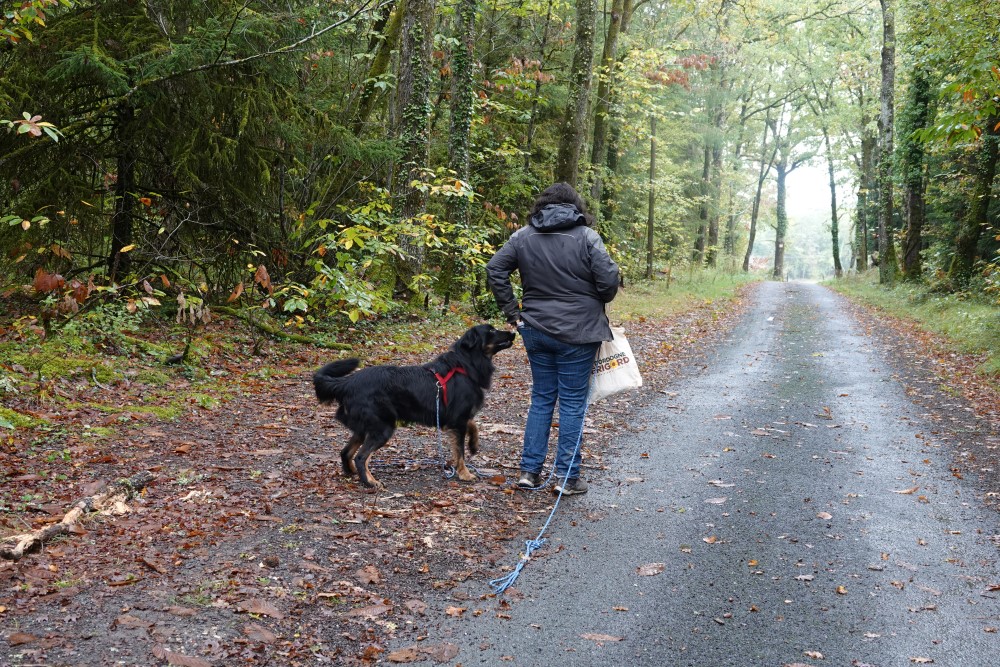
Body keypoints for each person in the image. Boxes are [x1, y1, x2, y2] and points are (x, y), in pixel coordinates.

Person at [486, 182, 620, 495]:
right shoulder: (587, 236)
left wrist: (513, 313)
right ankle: (567, 478)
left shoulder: (523, 236)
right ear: (574, 206)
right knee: (572, 403)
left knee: (542, 398)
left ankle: (529, 472)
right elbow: (608, 282)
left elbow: (495, 269)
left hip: (535, 328)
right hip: (579, 331)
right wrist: (596, 297)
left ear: (542, 205)